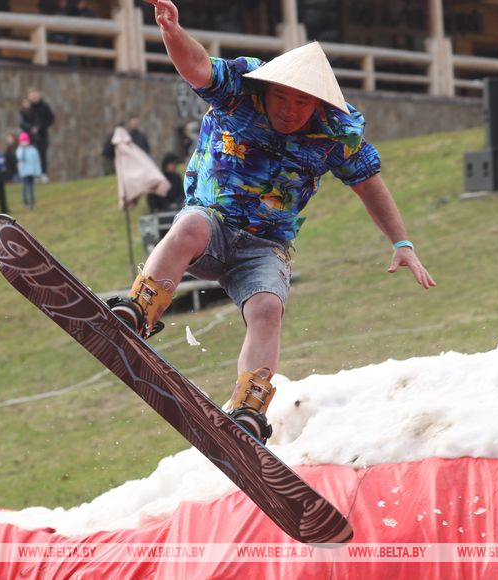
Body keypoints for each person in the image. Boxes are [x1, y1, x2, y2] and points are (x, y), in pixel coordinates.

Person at [109, 0, 435, 444]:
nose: (289, 110)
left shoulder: (336, 130)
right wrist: (172, 31)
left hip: (266, 245)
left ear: (318, 103)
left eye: (302, 102)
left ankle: (249, 407)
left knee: (267, 307)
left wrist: (402, 242)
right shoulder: (240, 88)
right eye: (282, 97)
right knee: (189, 227)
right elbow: (198, 67)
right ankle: (140, 310)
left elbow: (368, 184)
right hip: (213, 221)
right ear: (268, 88)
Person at [20, 89, 56, 180]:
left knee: (42, 154)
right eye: (31, 96)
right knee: (31, 156)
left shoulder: (44, 106)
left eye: (35, 95)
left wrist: (42, 127)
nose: (33, 97)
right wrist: (30, 128)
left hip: (42, 134)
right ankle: (34, 174)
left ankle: (43, 173)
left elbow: (50, 118)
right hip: (29, 136)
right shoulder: (27, 107)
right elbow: (22, 122)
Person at [16, 132, 42, 209]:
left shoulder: (33, 150)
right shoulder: (19, 150)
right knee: (24, 188)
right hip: (23, 173)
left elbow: (37, 162)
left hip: (31, 172)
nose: (24, 143)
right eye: (22, 141)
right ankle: (26, 202)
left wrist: (38, 172)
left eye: (25, 141)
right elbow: (20, 158)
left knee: (31, 188)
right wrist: (23, 149)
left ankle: (32, 203)